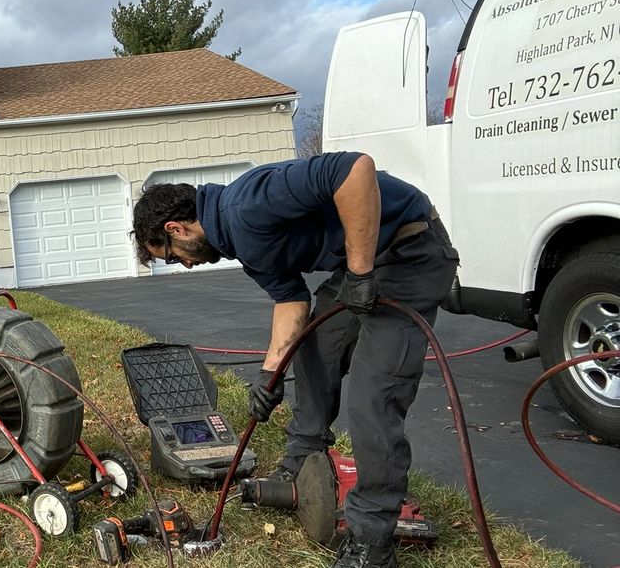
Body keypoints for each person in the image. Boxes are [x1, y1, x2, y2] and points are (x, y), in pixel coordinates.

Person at [130, 151, 458, 568]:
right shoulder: (241, 243)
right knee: (315, 347)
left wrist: (358, 274)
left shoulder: (246, 205)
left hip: (410, 251)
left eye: (174, 255)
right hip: (369, 262)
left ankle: (373, 542)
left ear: (176, 228)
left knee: (374, 395)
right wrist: (270, 376)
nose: (184, 264)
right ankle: (301, 464)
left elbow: (354, 169)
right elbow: (290, 301)